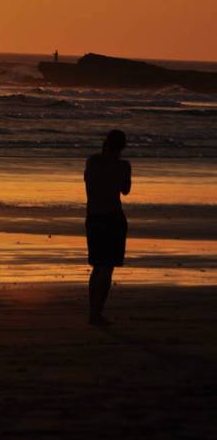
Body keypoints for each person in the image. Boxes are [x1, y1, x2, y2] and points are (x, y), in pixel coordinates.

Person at [84, 129, 131, 326]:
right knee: (107, 268)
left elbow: (89, 183)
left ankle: (93, 311)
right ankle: (97, 312)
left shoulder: (92, 161)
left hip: (94, 216)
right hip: (113, 217)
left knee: (97, 266)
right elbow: (126, 190)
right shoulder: (123, 165)